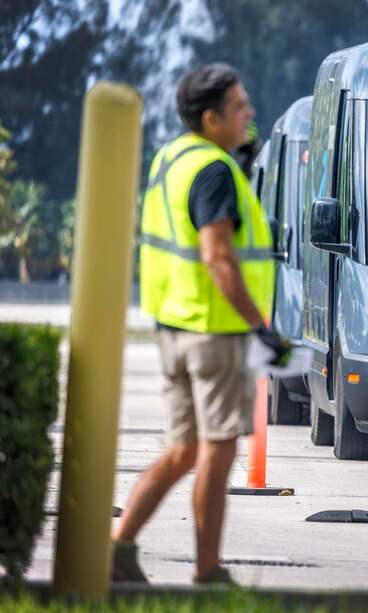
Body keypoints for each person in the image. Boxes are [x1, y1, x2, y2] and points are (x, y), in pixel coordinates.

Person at [111, 63, 288, 585]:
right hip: (215, 332)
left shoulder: (172, 157)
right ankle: (207, 569)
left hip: (174, 327)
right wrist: (260, 326)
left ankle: (118, 547)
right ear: (211, 118)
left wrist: (237, 158)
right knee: (218, 447)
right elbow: (218, 257)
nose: (250, 113)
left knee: (184, 449)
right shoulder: (213, 171)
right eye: (239, 107)